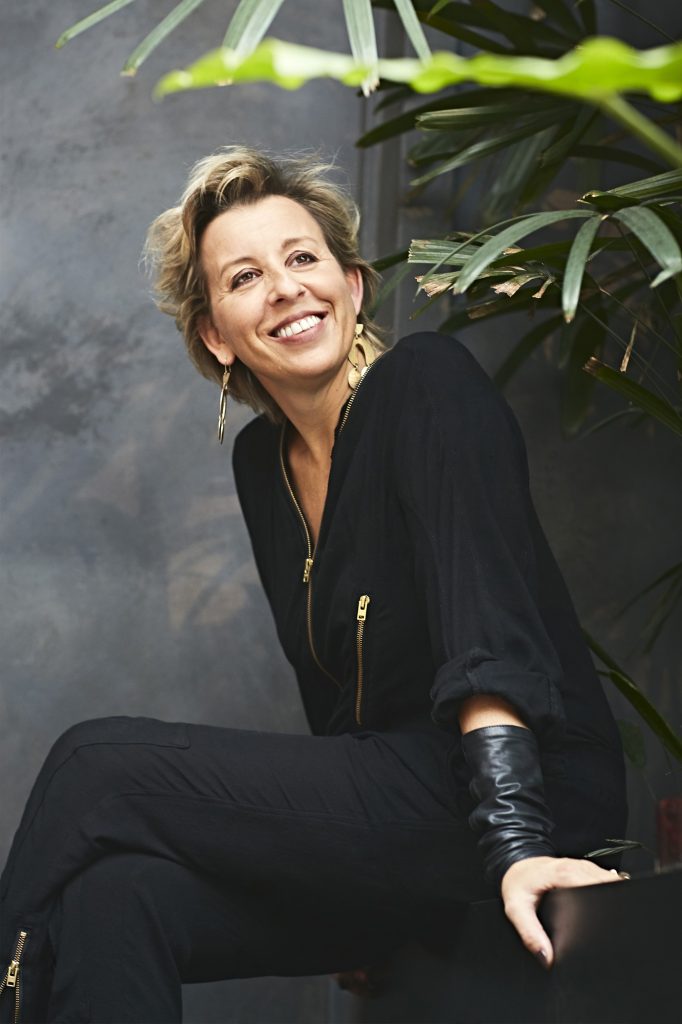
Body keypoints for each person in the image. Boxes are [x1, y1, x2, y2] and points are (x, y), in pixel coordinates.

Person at [0, 147, 627, 1024]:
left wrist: (517, 843)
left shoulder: (425, 385)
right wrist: (337, 866)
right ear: (217, 335)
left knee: (94, 765)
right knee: (115, 897)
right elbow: (335, 704)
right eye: (246, 276)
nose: (286, 288)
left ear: (353, 286)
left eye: (302, 257)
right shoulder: (264, 467)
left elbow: (488, 626)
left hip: (517, 798)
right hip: (395, 821)